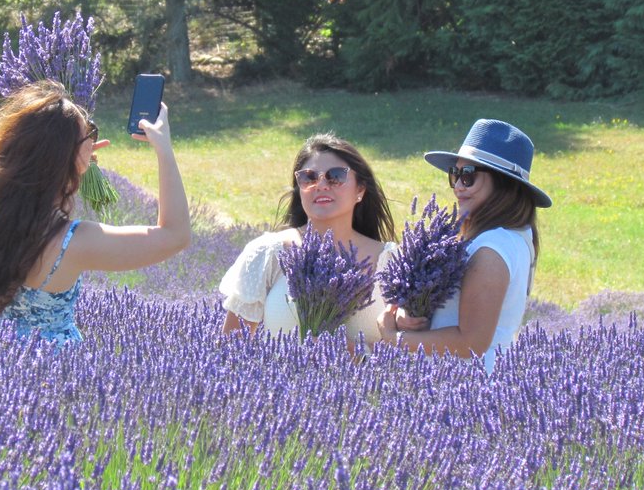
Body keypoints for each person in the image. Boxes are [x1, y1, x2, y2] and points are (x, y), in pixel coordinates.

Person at [0, 80, 190, 348]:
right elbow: (175, 235)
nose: (93, 142)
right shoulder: (72, 243)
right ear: (66, 156)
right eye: (89, 135)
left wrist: (75, 159)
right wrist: (164, 149)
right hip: (57, 376)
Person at [377, 118, 551, 373]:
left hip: (467, 389)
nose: (458, 186)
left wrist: (394, 339)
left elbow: (471, 341)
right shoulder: (509, 238)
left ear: (504, 184)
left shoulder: (491, 249)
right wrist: (410, 314)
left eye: (468, 176)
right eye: (455, 175)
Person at [219, 133, 397, 347]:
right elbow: (230, 348)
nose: (321, 185)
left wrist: (353, 353)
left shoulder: (390, 261)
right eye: (309, 177)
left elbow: (414, 355)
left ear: (360, 189)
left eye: (336, 176)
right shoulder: (268, 253)